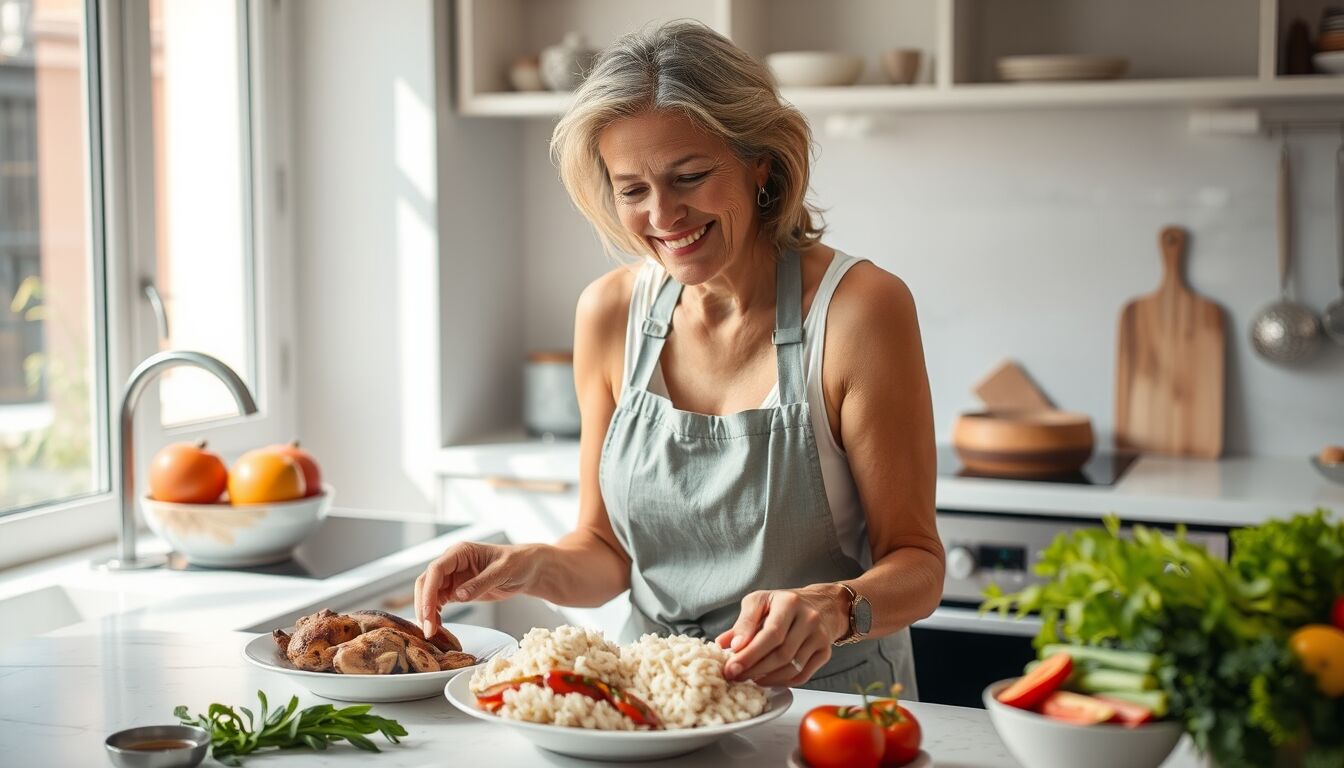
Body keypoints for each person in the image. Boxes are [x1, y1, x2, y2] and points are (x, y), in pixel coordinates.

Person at [417, 20, 943, 694]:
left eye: (689, 176)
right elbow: (606, 553)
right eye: (632, 189)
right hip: (656, 704)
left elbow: (919, 565)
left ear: (762, 163)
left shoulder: (859, 310)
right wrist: (527, 564)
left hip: (826, 713)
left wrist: (836, 609)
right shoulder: (609, 314)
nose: (663, 215)